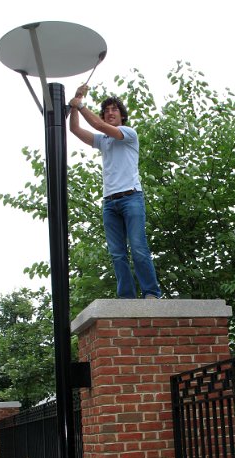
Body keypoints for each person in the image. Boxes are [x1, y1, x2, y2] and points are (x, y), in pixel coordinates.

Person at [69, 85, 161, 300]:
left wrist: (80, 105)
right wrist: (76, 103)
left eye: (114, 110)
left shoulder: (128, 133)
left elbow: (97, 124)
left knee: (138, 248)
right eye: (107, 110)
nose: (110, 113)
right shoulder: (103, 141)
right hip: (109, 203)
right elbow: (75, 130)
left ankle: (151, 293)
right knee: (117, 254)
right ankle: (126, 298)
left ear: (121, 115)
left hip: (131, 197)